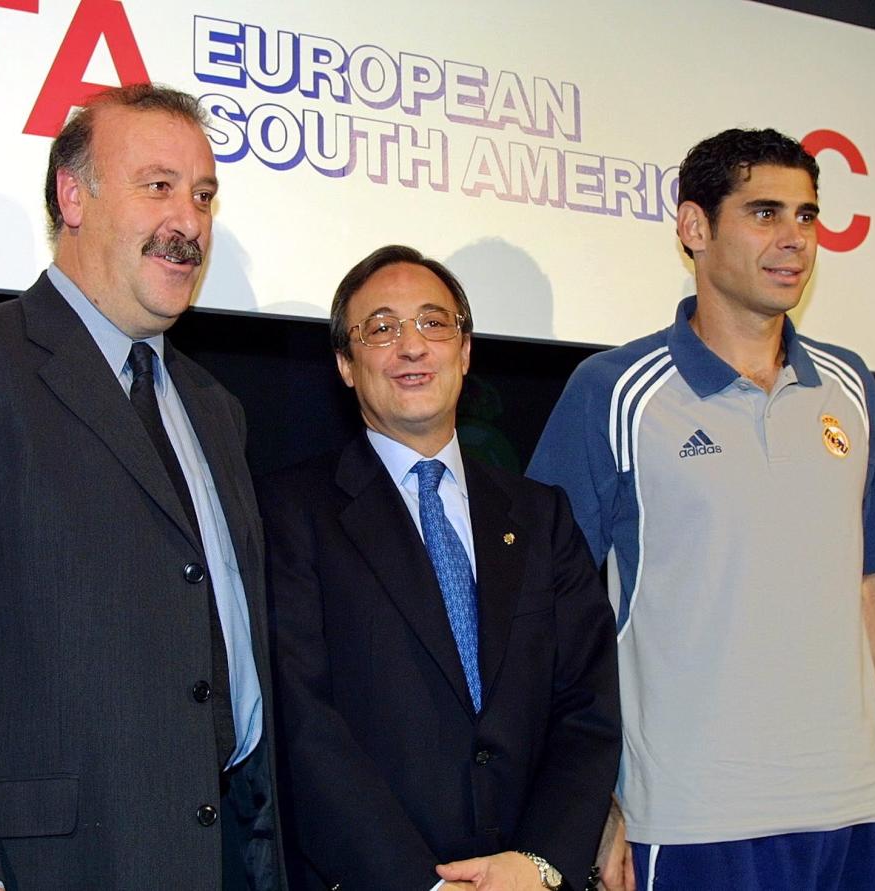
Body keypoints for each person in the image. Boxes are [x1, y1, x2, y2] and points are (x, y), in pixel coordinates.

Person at [0, 84, 285, 890]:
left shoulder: (216, 409)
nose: (189, 221)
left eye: (204, 195)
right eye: (159, 186)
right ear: (73, 195)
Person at [527, 128, 875, 891]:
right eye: (765, 213)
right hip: (695, 817)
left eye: (807, 217)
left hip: (866, 808)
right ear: (694, 228)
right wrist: (594, 796)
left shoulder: (850, 386)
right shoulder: (612, 392)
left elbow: (873, 584)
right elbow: (547, 617)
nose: (794, 240)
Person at [259, 245, 621, 891]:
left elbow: (587, 707)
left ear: (466, 350)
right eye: (382, 328)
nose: (412, 346)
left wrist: (538, 862)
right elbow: (303, 722)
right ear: (346, 363)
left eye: (433, 322)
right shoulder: (292, 512)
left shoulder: (542, 517)